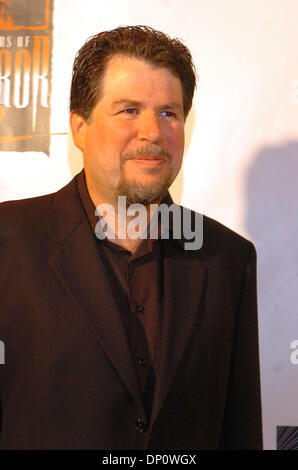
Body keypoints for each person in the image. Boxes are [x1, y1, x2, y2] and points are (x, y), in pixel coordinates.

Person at [0, 25, 262, 450]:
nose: (153, 133)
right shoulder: (8, 243)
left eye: (168, 113)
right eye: (128, 110)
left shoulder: (228, 259)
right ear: (79, 128)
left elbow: (240, 429)